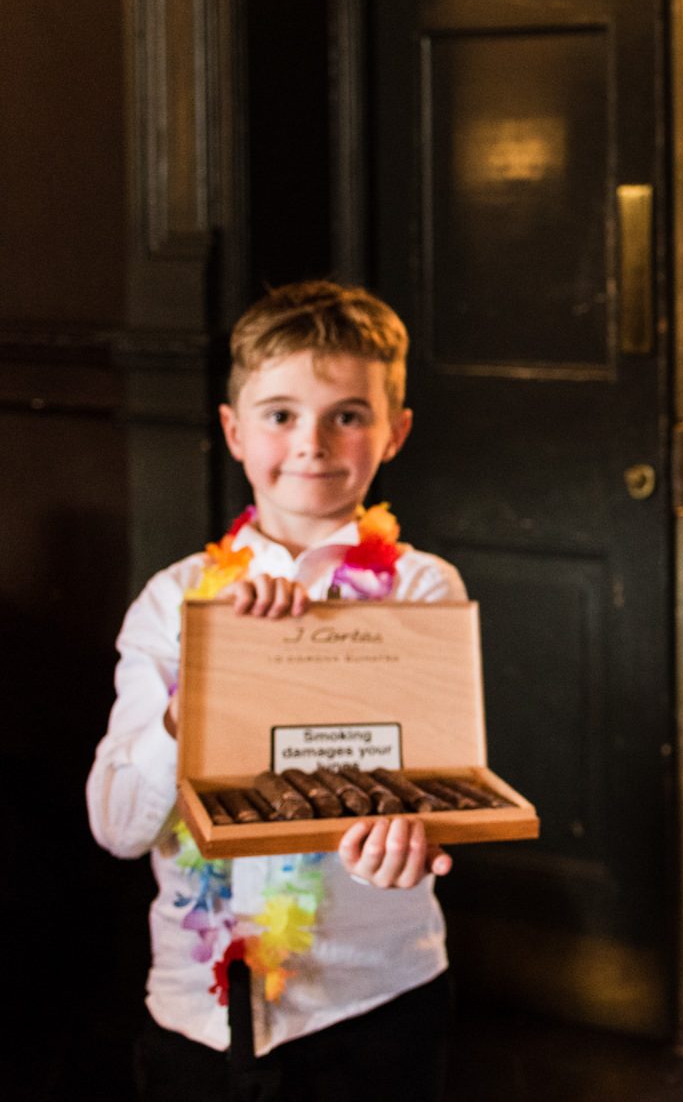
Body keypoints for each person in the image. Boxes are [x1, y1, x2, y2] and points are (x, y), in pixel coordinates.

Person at [87, 280, 465, 1100]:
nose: (313, 441)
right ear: (233, 430)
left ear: (394, 432)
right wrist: (207, 685)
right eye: (281, 413)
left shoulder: (424, 592)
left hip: (376, 1001)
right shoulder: (173, 599)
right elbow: (119, 825)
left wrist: (403, 840)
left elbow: (429, 784)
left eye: (348, 414)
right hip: (196, 1012)